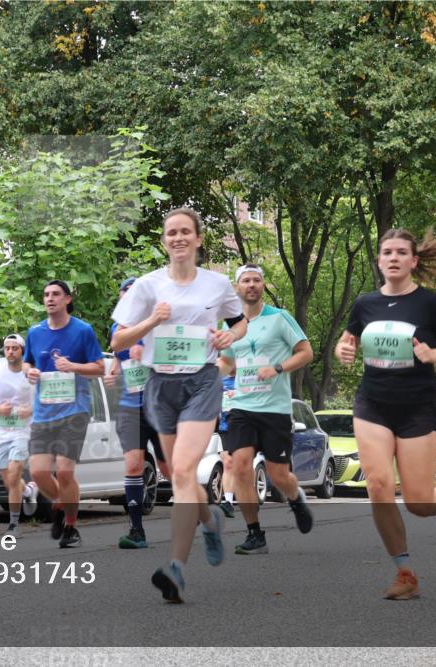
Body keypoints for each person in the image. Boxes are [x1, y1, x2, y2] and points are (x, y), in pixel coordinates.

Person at [112, 207, 247, 603]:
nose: (178, 238)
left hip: (202, 383)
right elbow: (119, 341)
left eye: (186, 231)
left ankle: (176, 567)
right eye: (171, 233)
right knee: (181, 479)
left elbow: (239, 322)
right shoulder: (147, 286)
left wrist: (229, 337)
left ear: (198, 238)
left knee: (185, 469)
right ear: (164, 241)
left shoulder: (218, 284)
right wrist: (151, 321)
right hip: (159, 386)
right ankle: (209, 521)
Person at [335, 228, 436, 600]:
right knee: (378, 486)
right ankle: (405, 572)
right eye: (387, 252)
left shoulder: (431, 303)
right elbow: (346, 342)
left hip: (418, 409)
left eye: (401, 252)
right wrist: (342, 352)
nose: (393, 257)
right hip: (372, 405)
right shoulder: (364, 304)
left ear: (414, 261)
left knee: (417, 502)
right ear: (379, 260)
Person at [217, 264, 315, 554]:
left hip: (275, 408)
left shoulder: (279, 318)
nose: (251, 284)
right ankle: (254, 534)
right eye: (245, 280)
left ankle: (296, 499)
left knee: (279, 474)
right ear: (237, 288)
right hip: (241, 406)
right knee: (242, 466)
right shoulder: (230, 326)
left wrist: (278, 367)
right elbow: (227, 362)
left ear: (262, 285)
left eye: (256, 280)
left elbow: (306, 352)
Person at [24, 280, 105, 549]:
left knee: (66, 473)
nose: (50, 299)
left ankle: (70, 525)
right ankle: (62, 506)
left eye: (56, 294)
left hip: (75, 410)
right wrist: (29, 371)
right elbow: (27, 362)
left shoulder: (83, 331)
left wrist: (73, 366)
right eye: (46, 294)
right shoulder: (35, 332)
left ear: (67, 299)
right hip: (44, 411)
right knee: (38, 473)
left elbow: (100, 368)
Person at [104, 277, 170, 549]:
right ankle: (136, 530)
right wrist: (114, 373)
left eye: (134, 293)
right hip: (131, 407)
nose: (129, 298)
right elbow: (120, 361)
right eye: (125, 294)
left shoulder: (160, 323)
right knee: (133, 465)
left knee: (170, 467)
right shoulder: (117, 329)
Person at [0, 334, 37, 536]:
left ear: (22, 350)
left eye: (15, 348)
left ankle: (14, 524)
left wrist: (29, 410)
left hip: (23, 431)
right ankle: (29, 492)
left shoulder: (30, 374)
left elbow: (42, 399)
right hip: (1, 432)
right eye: (7, 348)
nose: (11, 352)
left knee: (14, 473)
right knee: (9, 481)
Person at [217, 373, 237, 518]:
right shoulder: (219, 380)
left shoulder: (245, 379)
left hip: (244, 427)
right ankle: (228, 502)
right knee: (228, 463)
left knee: (244, 465)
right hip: (225, 427)